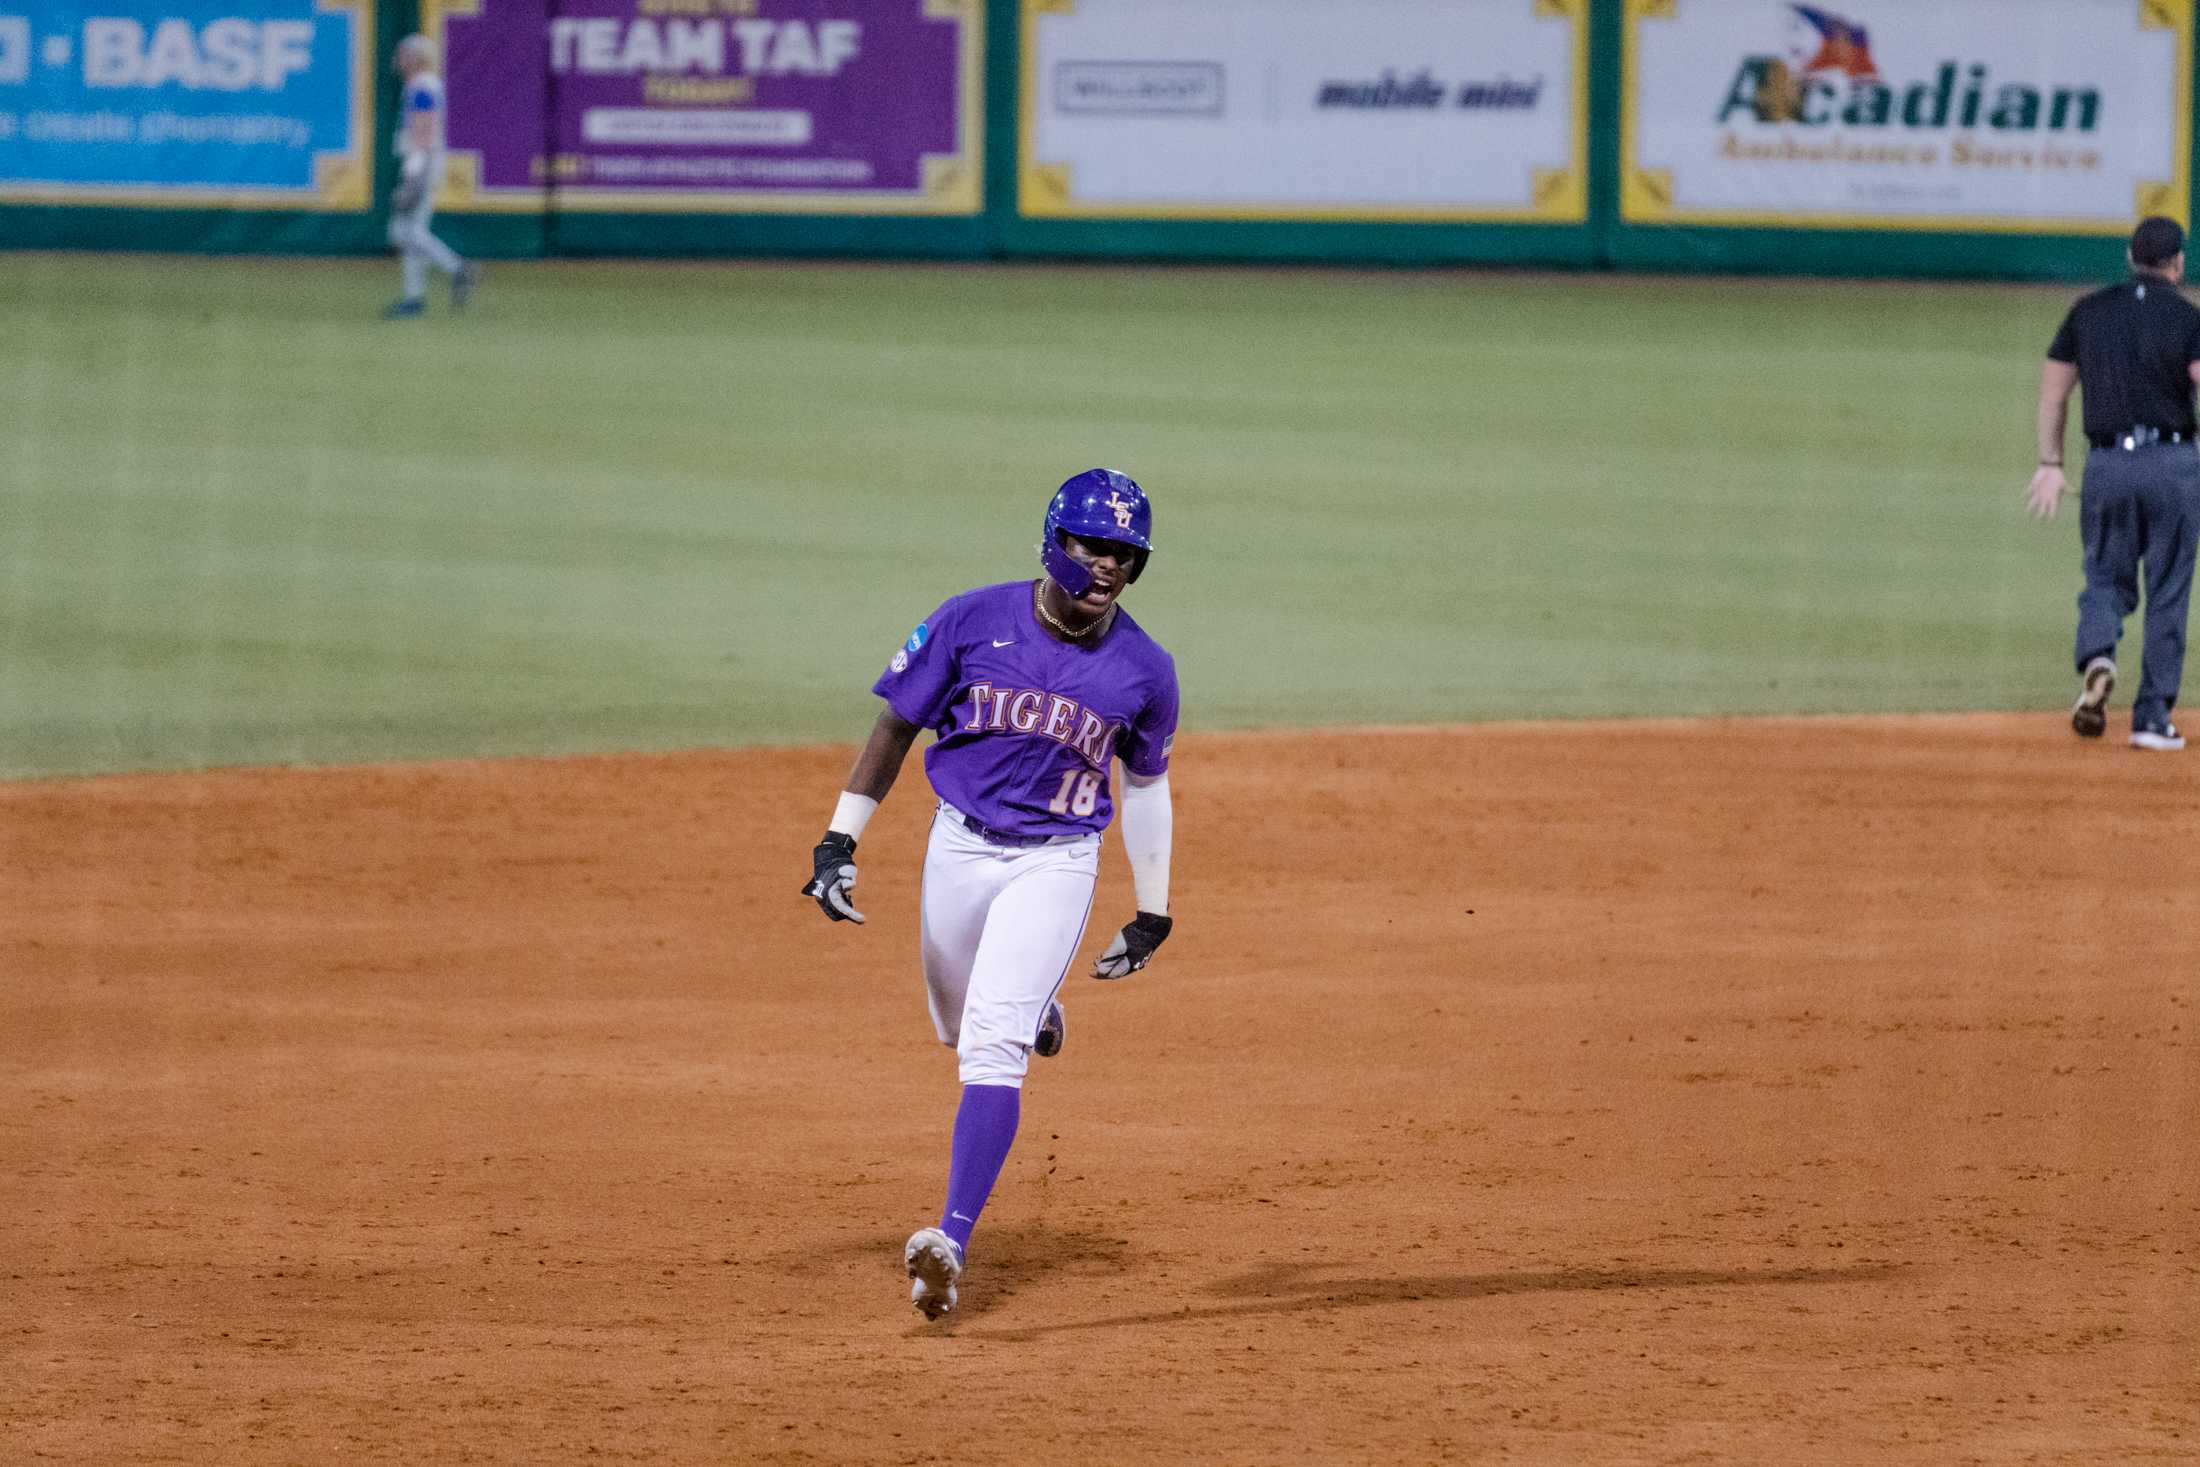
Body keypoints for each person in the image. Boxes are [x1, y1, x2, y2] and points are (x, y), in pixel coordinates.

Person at [800, 469, 1180, 1320]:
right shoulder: (973, 619)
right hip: (960, 848)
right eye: (1094, 547)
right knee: (955, 1021)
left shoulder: (1145, 670)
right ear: (1055, 541)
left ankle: (950, 1240)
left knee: (990, 1048)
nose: (1110, 566)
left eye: (1126, 553)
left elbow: (1147, 785)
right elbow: (896, 724)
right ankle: (1035, 1003)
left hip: (1056, 861)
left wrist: (1153, 905)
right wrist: (839, 838)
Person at [2028, 215, 2200, 750]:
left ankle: (2098, 655)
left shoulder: (2088, 310)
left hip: (2106, 466)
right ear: (2177, 262)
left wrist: (2050, 463)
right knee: (2167, 591)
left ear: (2130, 255)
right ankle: (2151, 720)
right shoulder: (2189, 318)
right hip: (2171, 465)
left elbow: (2054, 393)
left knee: (2104, 578)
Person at [385, 34, 477, 319]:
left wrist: (412, 169)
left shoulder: (422, 85)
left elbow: (423, 130)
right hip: (424, 160)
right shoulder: (421, 85)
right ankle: (416, 296)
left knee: (406, 231)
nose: (399, 59)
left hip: (422, 161)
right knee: (410, 232)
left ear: (416, 57)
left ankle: (456, 269)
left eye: (404, 54)